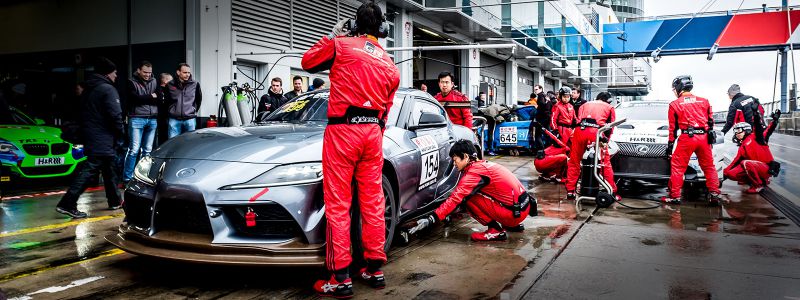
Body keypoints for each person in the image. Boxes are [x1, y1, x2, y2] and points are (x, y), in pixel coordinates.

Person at [301, 2, 400, 297]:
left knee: (338, 204)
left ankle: (340, 277)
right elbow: (387, 109)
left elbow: (308, 62)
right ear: (382, 29)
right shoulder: (390, 65)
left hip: (343, 131)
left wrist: (334, 37)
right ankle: (374, 268)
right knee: (372, 202)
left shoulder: (341, 45)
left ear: (355, 24)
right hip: (373, 134)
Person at [407, 140, 536, 241]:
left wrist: (432, 218)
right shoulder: (483, 165)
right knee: (472, 194)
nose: (454, 164)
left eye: (455, 160)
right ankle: (509, 224)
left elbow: (455, 199)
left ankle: (496, 231)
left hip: (513, 214)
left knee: (467, 199)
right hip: (522, 209)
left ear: (465, 157)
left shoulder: (474, 173)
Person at [55, 57, 123, 218]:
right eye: (114, 73)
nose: (116, 76)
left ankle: (115, 201)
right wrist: (120, 133)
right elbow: (115, 115)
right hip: (103, 135)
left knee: (109, 167)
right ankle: (67, 203)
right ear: (107, 73)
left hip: (91, 134)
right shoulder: (107, 89)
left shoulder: (89, 89)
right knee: (91, 169)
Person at [661, 75, 723, 205]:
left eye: (674, 89)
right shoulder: (704, 101)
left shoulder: (674, 104)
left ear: (679, 87)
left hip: (687, 137)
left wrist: (670, 145)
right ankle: (714, 194)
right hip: (704, 137)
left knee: (678, 167)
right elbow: (711, 122)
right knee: (709, 167)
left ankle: (675, 196)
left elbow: (673, 128)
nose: (674, 92)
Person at [565, 90, 619, 201]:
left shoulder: (584, 104)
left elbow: (578, 119)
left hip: (579, 131)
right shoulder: (609, 107)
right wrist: (605, 141)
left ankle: (570, 191)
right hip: (596, 132)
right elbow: (610, 127)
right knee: (605, 163)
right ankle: (612, 191)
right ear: (608, 101)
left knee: (574, 161)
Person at [123, 61, 159, 183]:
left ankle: (142, 178)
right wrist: (150, 96)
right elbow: (134, 99)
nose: (148, 75)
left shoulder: (154, 81)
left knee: (147, 151)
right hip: (136, 118)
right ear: (138, 70)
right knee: (134, 150)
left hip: (152, 118)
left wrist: (146, 98)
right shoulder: (131, 82)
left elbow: (159, 97)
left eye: (149, 72)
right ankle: (127, 178)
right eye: (145, 72)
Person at [723, 121, 779, 193]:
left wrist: (757, 115)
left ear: (746, 130)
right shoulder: (742, 145)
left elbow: (766, 129)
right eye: (735, 131)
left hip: (766, 168)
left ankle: (758, 186)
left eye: (739, 130)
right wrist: (725, 173)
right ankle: (751, 180)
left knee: (745, 163)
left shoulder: (756, 137)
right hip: (754, 166)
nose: (736, 133)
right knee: (731, 174)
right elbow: (735, 161)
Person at [166, 63, 202, 138]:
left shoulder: (195, 84)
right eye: (185, 72)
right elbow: (167, 100)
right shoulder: (170, 85)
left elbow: (198, 99)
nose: (187, 75)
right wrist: (171, 111)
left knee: (190, 143)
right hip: (174, 119)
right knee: (173, 142)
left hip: (190, 119)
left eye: (189, 72)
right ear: (178, 72)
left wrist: (193, 110)